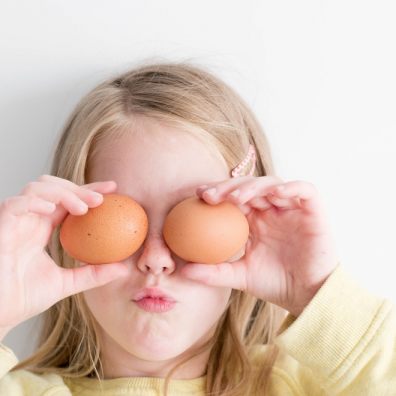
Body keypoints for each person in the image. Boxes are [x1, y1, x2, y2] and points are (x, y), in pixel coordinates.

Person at [0, 62, 395, 396]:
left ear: (246, 231)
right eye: (122, 217)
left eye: (192, 217)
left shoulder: (317, 383)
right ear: (65, 229)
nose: (156, 260)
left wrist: (316, 294)